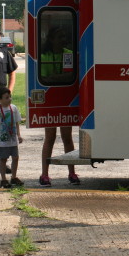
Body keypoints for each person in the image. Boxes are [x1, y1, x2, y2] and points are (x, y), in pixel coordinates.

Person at [39, 26, 79, 187]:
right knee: (50, 137)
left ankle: (72, 172)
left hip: (65, 99)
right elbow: (43, 77)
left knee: (67, 137)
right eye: (60, 36)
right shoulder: (44, 55)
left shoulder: (68, 53)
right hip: (50, 99)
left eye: (64, 36)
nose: (63, 39)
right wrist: (59, 76)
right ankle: (44, 174)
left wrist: (55, 77)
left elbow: (71, 74)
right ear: (51, 39)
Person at [0, 87, 23, 188]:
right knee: (3, 159)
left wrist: (19, 135)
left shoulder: (13, 108)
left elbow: (17, 122)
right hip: (1, 140)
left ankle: (13, 177)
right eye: (6, 97)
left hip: (12, 139)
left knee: (16, 157)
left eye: (10, 97)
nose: (9, 99)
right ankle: (3, 179)